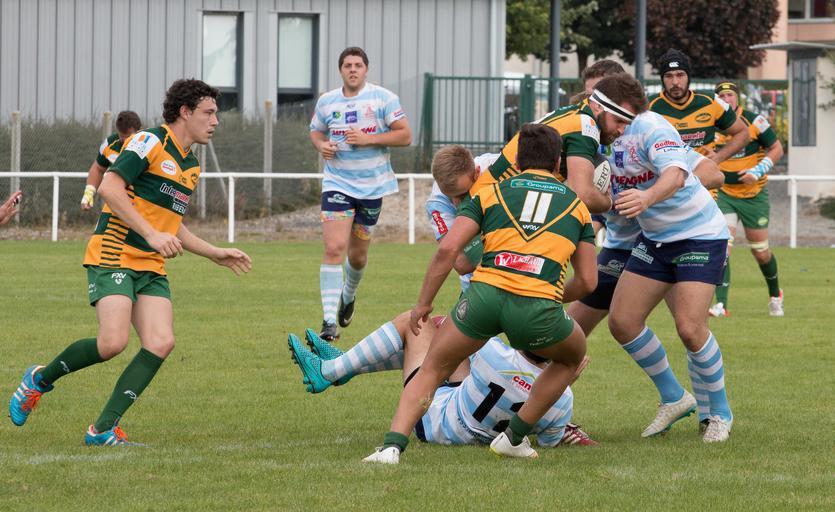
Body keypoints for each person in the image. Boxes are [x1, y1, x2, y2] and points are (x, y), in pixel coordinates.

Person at [8, 79, 252, 446]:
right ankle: (39, 379)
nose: (215, 121)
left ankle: (102, 429)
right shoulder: (149, 141)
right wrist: (152, 235)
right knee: (112, 343)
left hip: (149, 264)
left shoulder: (191, 165)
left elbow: (171, 224)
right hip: (115, 251)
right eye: (209, 112)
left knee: (161, 341)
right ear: (185, 112)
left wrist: (214, 252)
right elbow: (109, 187)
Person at [363, 122, 600, 464]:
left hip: (483, 298)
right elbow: (588, 282)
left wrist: (423, 304)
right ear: (557, 161)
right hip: (537, 310)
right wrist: (548, 292)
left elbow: (449, 251)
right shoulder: (577, 206)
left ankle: (391, 448)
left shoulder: (489, 193)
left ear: (516, 160)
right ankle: (513, 438)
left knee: (432, 368)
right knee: (571, 358)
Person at [599, 74, 734, 443]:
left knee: (690, 329)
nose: (619, 127)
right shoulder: (595, 139)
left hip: (699, 235)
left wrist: (646, 198)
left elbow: (675, 175)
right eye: (615, 119)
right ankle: (674, 396)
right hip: (655, 240)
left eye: (623, 120)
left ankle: (719, 413)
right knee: (622, 322)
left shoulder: (652, 126)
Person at [287, 313, 597, 449]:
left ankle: (332, 370)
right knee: (446, 353)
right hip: (478, 426)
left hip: (433, 420)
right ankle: (345, 365)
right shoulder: (564, 400)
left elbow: (444, 327)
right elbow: (550, 438)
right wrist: (565, 380)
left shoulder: (494, 353)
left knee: (417, 324)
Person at [310, 46, 412, 341]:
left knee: (357, 257)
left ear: (366, 69)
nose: (352, 69)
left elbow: (405, 135)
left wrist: (369, 139)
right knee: (334, 247)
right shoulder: (327, 101)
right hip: (337, 184)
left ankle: (349, 294)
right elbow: (316, 131)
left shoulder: (383, 98)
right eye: (347, 65)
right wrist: (321, 145)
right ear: (340, 70)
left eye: (358, 65)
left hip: (372, 188)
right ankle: (329, 322)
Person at [709, 81, 784, 318]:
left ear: (737, 98)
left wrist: (758, 170)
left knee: (761, 252)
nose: (726, 100)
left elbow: (777, 148)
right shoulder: (711, 124)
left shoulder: (754, 121)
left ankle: (775, 295)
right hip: (724, 194)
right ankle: (721, 304)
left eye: (730, 95)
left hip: (753, 196)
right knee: (723, 246)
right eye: (722, 96)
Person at [648, 49, 749, 165]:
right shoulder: (649, 107)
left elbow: (743, 133)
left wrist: (718, 157)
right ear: (662, 79)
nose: (675, 82)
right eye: (668, 76)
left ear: (688, 77)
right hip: (667, 174)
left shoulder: (711, 101)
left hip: (703, 174)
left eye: (680, 75)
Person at [425, 149, 499, 291]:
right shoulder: (437, 203)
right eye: (449, 196)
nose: (457, 203)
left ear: (477, 173)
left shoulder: (498, 165)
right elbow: (460, 262)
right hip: (477, 283)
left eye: (463, 194)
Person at [81, 111, 142, 210]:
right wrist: (88, 193)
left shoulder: (150, 145)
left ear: (139, 131)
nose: (125, 140)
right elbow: (98, 169)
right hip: (116, 204)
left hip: (143, 204)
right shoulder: (110, 144)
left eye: (128, 137)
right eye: (122, 136)